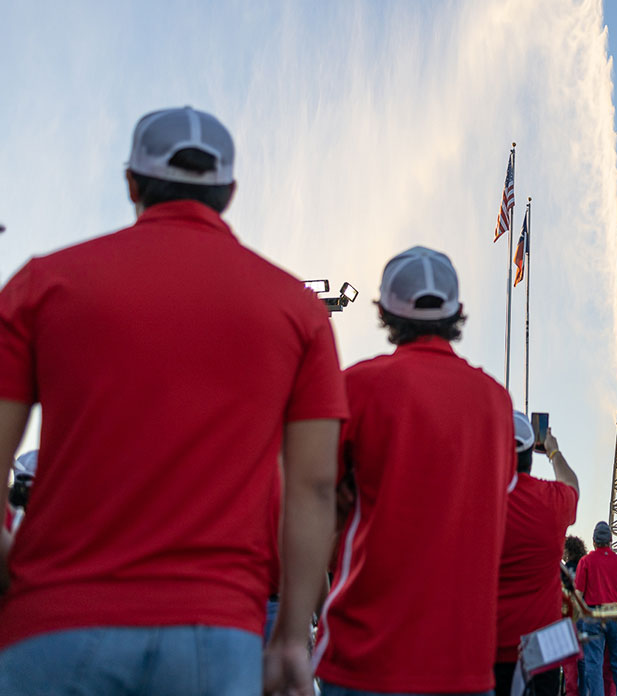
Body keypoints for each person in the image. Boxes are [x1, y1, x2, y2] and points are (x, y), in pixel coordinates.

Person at [0, 106, 348, 696]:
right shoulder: (300, 311)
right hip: (215, 636)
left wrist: (11, 561)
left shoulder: (42, 283)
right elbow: (314, 488)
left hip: (54, 622)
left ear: (131, 183)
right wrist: (292, 636)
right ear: (229, 193)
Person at [314, 246, 515, 696]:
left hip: (364, 660)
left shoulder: (358, 386)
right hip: (463, 665)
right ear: (457, 311)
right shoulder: (496, 403)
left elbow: (315, 499)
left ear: (385, 311)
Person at [494, 412, 579, 696]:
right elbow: (572, 486)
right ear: (532, 452)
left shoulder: (477, 496)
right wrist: (553, 449)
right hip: (541, 649)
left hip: (488, 644)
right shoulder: (552, 500)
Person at [574, 521, 617, 696]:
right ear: (610, 541)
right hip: (615, 613)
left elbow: (578, 592)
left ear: (594, 541)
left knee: (594, 662)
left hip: (593, 614)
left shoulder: (586, 561)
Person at [562, 536, 588, 696]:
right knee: (583, 662)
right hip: (584, 617)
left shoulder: (564, 570)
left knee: (569, 663)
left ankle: (571, 692)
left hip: (568, 618)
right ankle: (584, 691)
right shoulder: (584, 566)